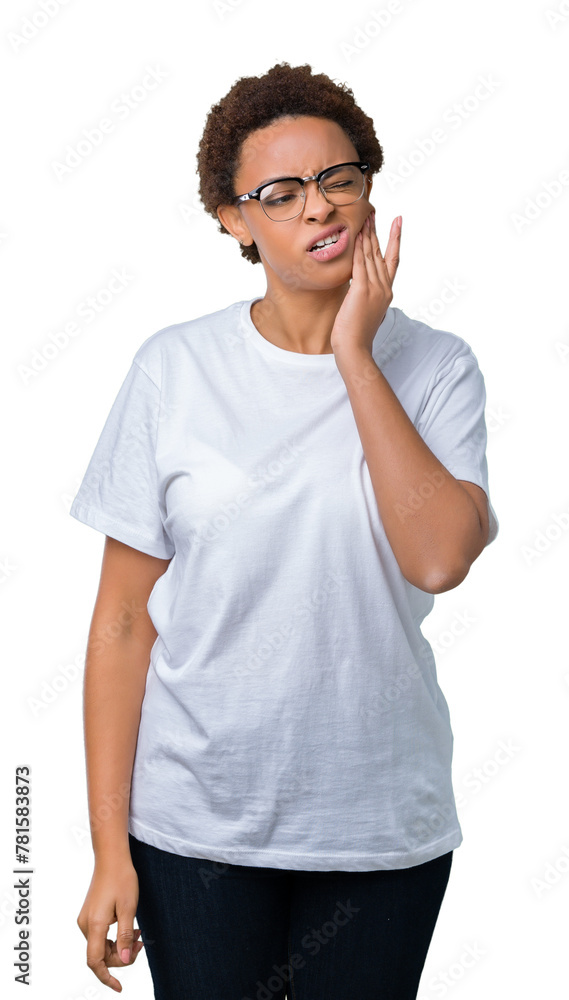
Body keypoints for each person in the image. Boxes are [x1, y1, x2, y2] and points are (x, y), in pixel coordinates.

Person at [72, 61, 499, 1000]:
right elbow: (123, 623)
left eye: (339, 177)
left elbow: (437, 559)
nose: (319, 206)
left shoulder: (436, 367)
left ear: (367, 187)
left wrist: (354, 355)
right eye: (282, 192)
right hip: (195, 828)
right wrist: (108, 851)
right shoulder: (173, 369)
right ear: (235, 221)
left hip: (379, 825)